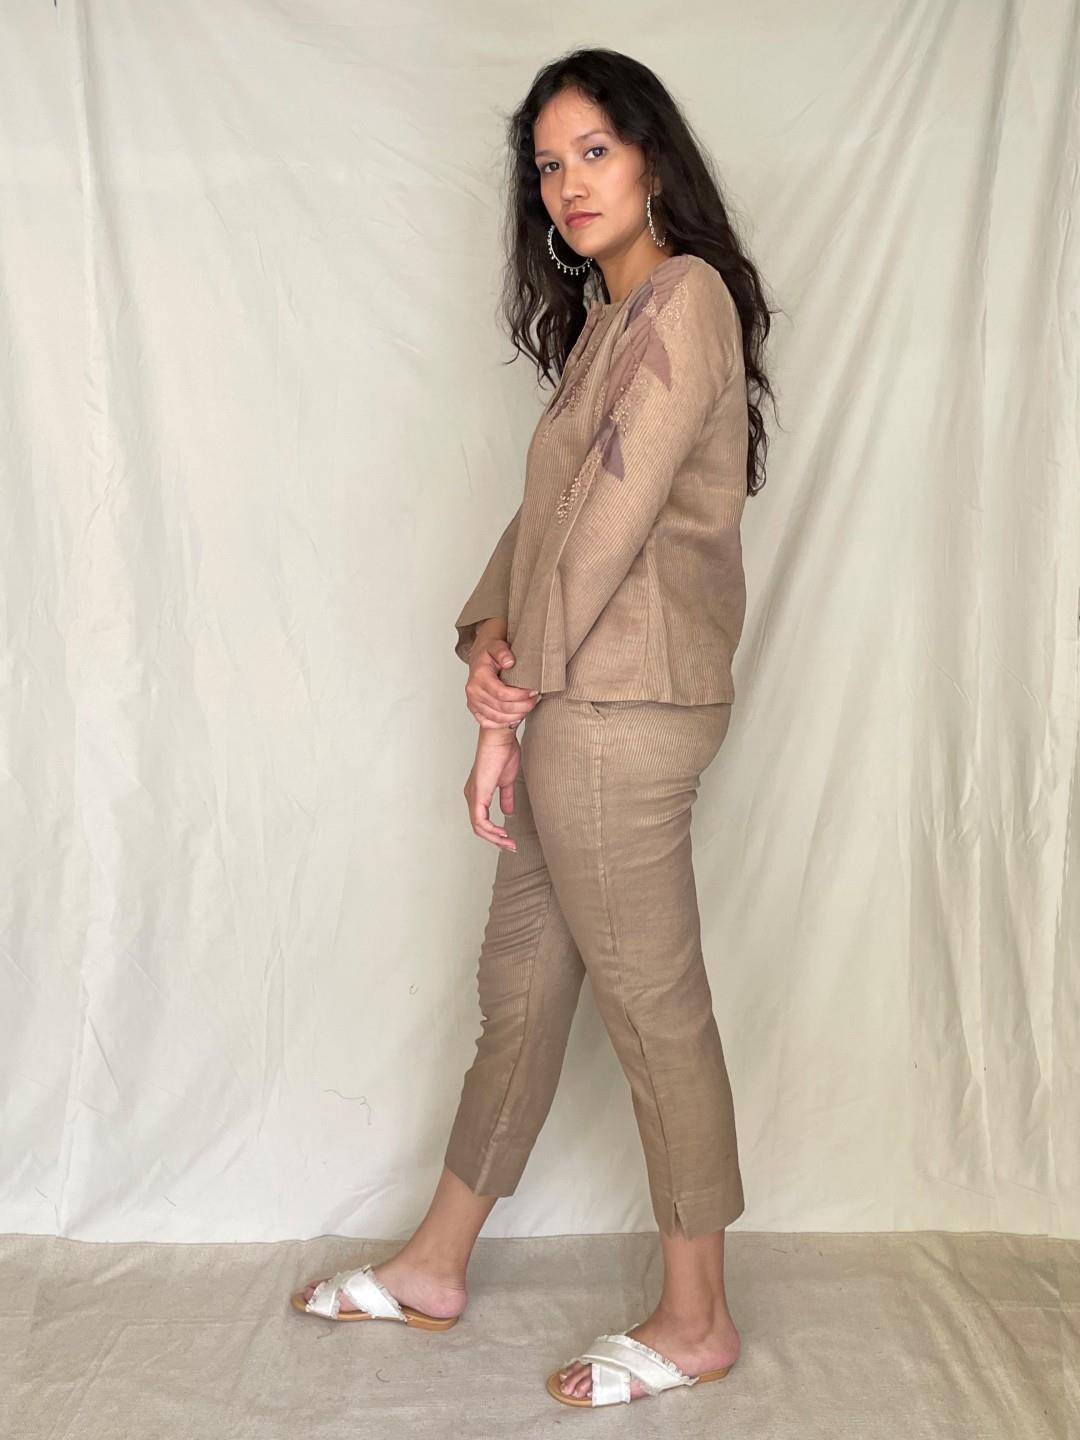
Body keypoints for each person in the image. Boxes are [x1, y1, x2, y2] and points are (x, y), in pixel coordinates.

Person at [293, 45, 776, 1410]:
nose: (569, 184)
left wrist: (506, 714)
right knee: (521, 989)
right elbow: (545, 521)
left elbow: (608, 529)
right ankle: (436, 1264)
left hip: (624, 711)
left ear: (653, 156)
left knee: (653, 1009)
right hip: (573, 698)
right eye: (549, 166)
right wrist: (490, 649)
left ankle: (698, 1320)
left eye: (594, 152)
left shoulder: (683, 301)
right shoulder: (609, 325)